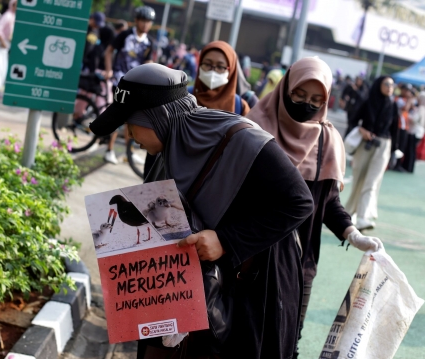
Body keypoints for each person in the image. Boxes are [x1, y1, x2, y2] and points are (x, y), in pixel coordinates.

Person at [89, 63, 315, 359]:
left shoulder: (242, 140)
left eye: (131, 123)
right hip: (183, 292)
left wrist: (226, 240)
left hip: (247, 289)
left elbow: (299, 202)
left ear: (159, 117)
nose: (129, 135)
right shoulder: (163, 149)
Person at [246, 57, 384, 356]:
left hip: (299, 264)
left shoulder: (327, 140)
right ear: (286, 89)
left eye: (316, 99)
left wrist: (351, 233)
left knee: (287, 342)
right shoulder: (253, 129)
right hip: (249, 255)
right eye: (299, 95)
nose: (306, 104)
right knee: (244, 338)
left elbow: (328, 202)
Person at [102, 6, 155, 164]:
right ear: (136, 21)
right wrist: (108, 69)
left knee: (132, 120)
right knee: (118, 116)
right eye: (143, 20)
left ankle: (129, 153)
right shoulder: (125, 35)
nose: (145, 24)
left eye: (149, 21)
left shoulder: (149, 42)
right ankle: (109, 150)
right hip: (119, 78)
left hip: (136, 84)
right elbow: (109, 51)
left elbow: (148, 64)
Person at [345, 76, 399, 230]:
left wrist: (394, 151)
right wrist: (362, 130)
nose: (390, 87)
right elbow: (353, 120)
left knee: (372, 181)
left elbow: (395, 130)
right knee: (359, 178)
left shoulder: (393, 105)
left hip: (383, 146)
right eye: (386, 84)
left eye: (392, 85)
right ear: (378, 85)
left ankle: (363, 216)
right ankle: (350, 212)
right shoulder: (367, 101)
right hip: (365, 144)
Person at [192, 41, 250, 116]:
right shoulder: (183, 98)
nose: (213, 71)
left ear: (231, 70)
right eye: (207, 64)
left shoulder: (240, 107)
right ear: (200, 65)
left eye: (220, 67)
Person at [402, 91, 425, 173]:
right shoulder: (423, 108)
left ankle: (408, 167)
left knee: (411, 150)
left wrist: (408, 115)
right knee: (412, 150)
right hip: (417, 131)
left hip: (415, 131)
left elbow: (414, 119)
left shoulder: (421, 108)